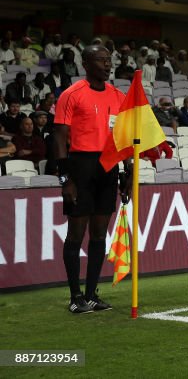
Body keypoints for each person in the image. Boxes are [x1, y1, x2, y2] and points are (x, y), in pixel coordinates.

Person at [52, 45, 128, 314]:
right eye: (101, 60)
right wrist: (65, 179)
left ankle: (92, 294)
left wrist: (126, 173)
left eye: (109, 60)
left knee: (98, 234)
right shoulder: (71, 95)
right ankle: (75, 297)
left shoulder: (118, 96)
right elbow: (59, 138)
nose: (108, 64)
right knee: (75, 235)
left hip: (108, 167)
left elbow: (123, 137)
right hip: (80, 167)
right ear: (86, 64)